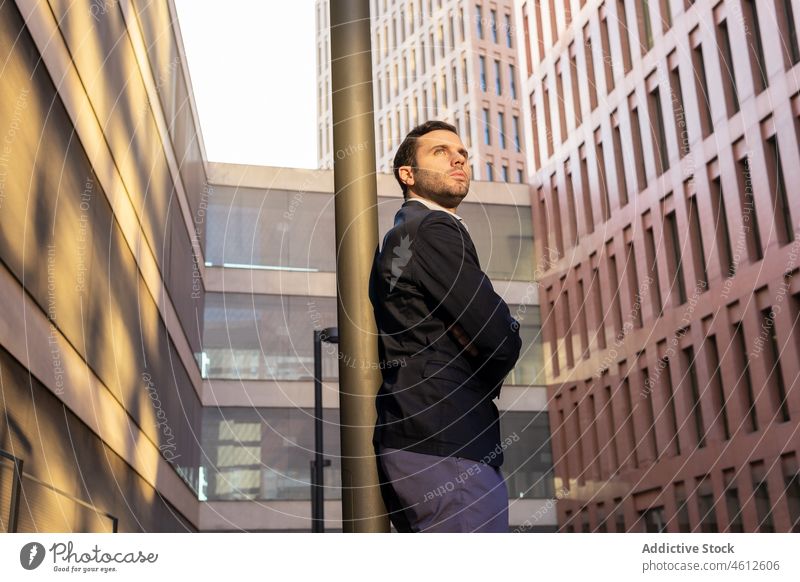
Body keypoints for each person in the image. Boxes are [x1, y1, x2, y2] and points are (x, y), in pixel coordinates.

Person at [369, 120, 522, 532]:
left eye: (462, 153)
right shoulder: (433, 229)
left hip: (420, 440)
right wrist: (483, 360)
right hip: (449, 444)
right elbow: (498, 335)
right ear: (408, 174)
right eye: (439, 151)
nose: (458, 158)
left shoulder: (401, 235)